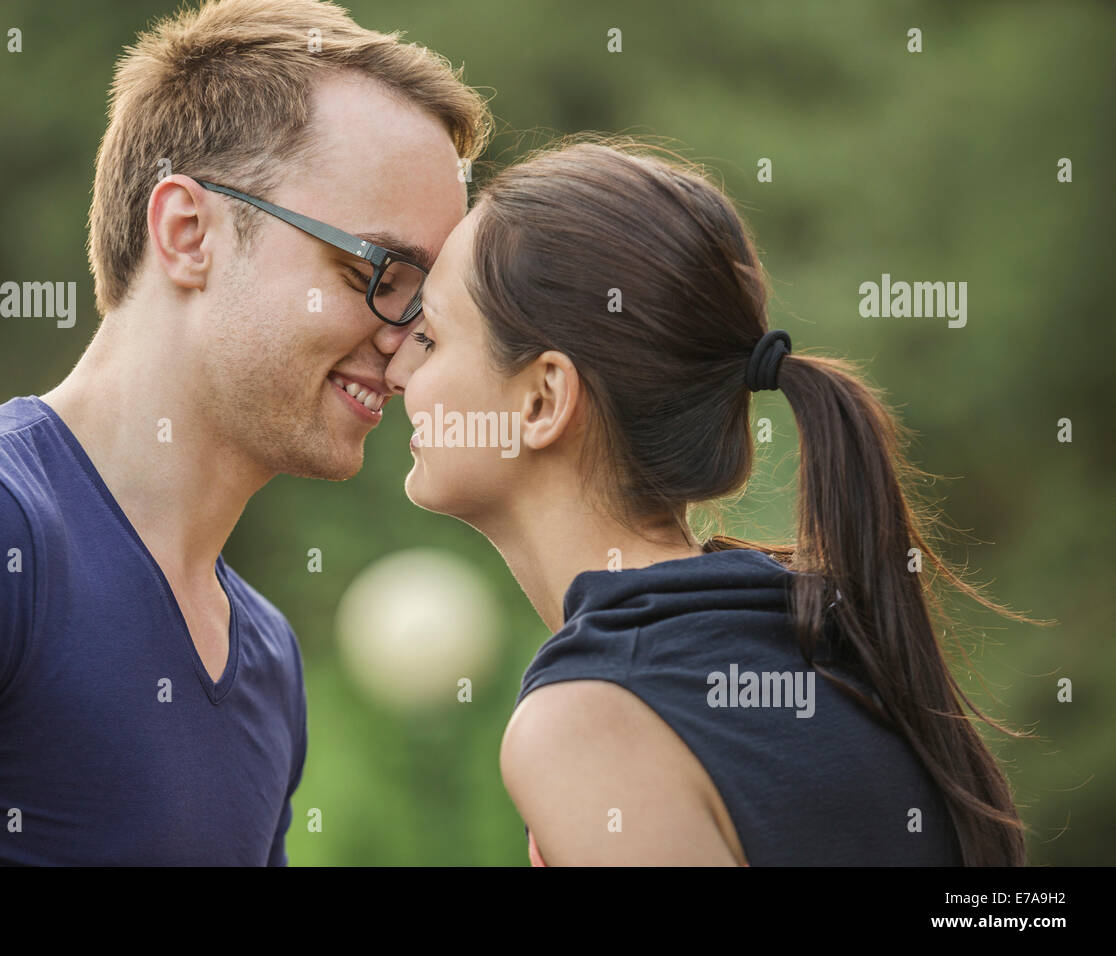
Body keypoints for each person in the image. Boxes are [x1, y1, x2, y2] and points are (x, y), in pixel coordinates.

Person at [0, 0, 490, 864]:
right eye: (377, 272)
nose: (406, 347)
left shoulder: (268, 661)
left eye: (426, 301)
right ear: (187, 232)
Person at [384, 138, 1033, 866]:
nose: (399, 367)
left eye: (432, 338)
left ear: (543, 399)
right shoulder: (820, 642)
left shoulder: (590, 723)